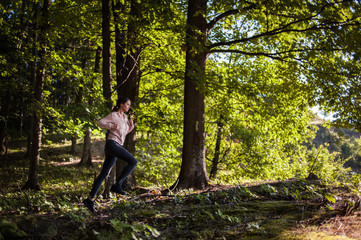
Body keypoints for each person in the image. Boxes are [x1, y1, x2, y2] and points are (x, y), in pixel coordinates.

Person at [83, 97, 138, 213]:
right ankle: (117, 185)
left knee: (104, 173)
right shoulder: (114, 115)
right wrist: (111, 126)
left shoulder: (125, 118)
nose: (129, 107)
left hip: (116, 144)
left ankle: (90, 199)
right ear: (121, 104)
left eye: (129, 105)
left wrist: (131, 125)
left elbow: (123, 133)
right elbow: (100, 122)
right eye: (127, 104)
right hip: (112, 144)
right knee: (133, 161)